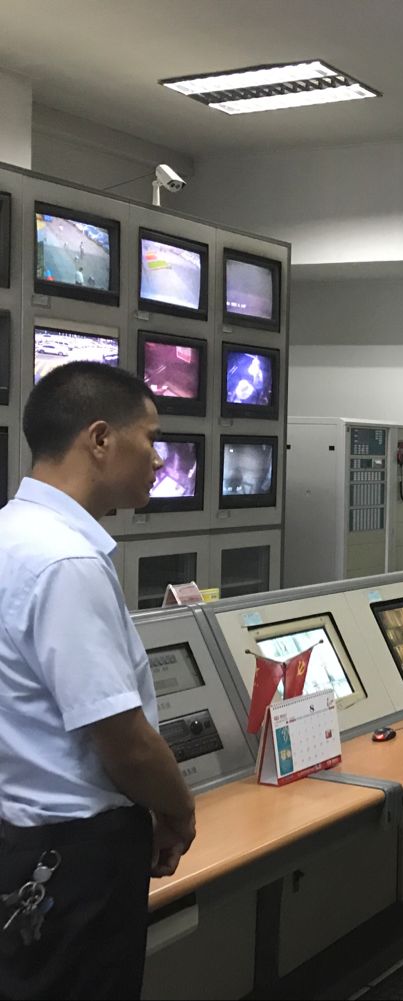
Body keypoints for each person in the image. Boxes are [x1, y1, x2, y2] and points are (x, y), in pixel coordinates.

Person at [0, 362, 196, 999]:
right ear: (101, 439)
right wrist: (178, 810)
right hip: (76, 856)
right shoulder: (66, 560)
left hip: (21, 837)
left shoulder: (11, 533)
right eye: (151, 439)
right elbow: (123, 740)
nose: (160, 460)